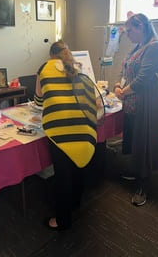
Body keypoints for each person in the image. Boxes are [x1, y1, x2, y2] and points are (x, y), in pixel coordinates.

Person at [34, 40, 97, 230]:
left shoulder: (44, 67)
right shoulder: (76, 69)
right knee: (79, 167)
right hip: (85, 128)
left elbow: (38, 100)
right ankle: (76, 204)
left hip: (60, 130)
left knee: (62, 177)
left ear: (52, 55)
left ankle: (62, 220)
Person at [114, 13, 158, 206]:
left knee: (143, 141)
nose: (128, 34)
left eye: (130, 31)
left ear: (141, 27)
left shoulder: (156, 47)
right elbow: (126, 70)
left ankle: (143, 185)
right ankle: (135, 170)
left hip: (147, 102)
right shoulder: (138, 47)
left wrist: (123, 92)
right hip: (133, 100)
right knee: (134, 139)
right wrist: (117, 86)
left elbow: (142, 79)